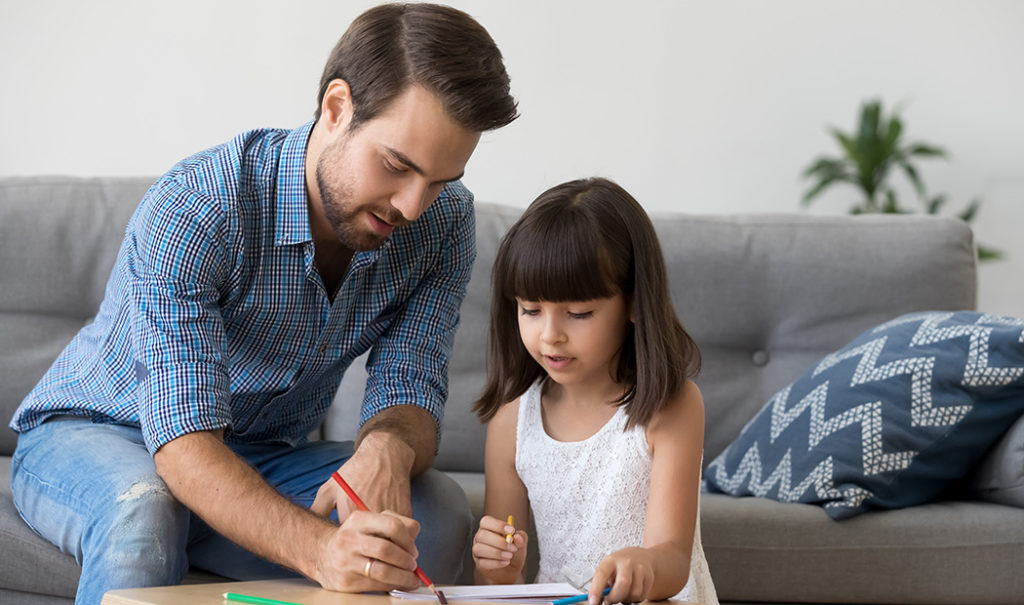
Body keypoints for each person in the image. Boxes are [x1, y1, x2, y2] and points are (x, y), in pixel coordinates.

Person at [9, 3, 517, 604]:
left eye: (439, 182)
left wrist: (389, 444)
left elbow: (411, 382)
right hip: (104, 435)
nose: (411, 206)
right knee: (146, 514)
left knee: (431, 516)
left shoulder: (442, 226)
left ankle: (212, 526)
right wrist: (321, 550)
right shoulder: (198, 206)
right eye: (397, 166)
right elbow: (184, 442)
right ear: (336, 109)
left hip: (263, 455)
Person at [470, 178, 719, 605]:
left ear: (635, 303)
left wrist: (642, 565)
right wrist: (498, 567)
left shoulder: (670, 406)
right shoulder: (511, 421)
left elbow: (673, 560)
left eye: (579, 313)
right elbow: (498, 588)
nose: (550, 336)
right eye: (530, 310)